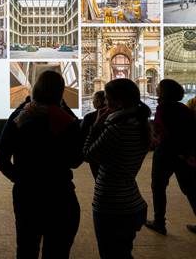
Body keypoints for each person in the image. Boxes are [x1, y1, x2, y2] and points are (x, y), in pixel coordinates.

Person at [0, 71, 83, 259]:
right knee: (57, 253)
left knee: (27, 250)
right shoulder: (67, 121)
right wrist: (64, 108)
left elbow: (1, 161)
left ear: (35, 89)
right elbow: (76, 161)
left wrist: (21, 179)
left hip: (27, 196)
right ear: (61, 93)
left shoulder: (20, 117)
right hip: (61, 196)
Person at [84, 78, 150, 259]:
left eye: (106, 98)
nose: (104, 103)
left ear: (118, 103)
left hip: (112, 206)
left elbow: (88, 154)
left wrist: (96, 127)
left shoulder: (117, 129)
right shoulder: (140, 125)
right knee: (122, 253)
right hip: (132, 202)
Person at [145, 79, 196, 235]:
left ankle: (159, 222)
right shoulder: (183, 108)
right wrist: (186, 154)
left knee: (158, 187)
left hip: (166, 153)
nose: (156, 89)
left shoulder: (164, 108)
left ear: (164, 91)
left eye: (159, 88)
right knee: (190, 188)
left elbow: (169, 133)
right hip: (182, 154)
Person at [80, 91, 106, 180]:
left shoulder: (89, 117)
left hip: (94, 154)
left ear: (99, 101)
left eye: (94, 100)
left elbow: (81, 134)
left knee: (98, 179)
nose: (93, 102)